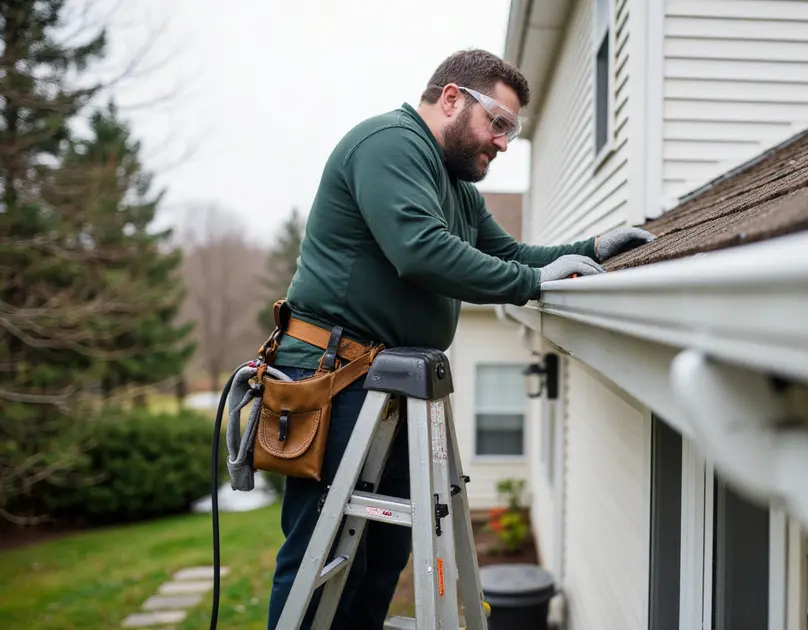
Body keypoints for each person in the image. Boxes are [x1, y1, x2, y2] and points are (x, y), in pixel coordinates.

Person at [265, 48, 654, 629]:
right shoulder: (388, 145)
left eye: (512, 132)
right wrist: (527, 284)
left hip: (389, 386)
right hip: (333, 377)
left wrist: (590, 250)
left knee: (382, 561)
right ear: (452, 99)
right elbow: (420, 251)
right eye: (498, 123)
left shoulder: (457, 187)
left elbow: (512, 256)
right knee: (322, 562)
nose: (503, 143)